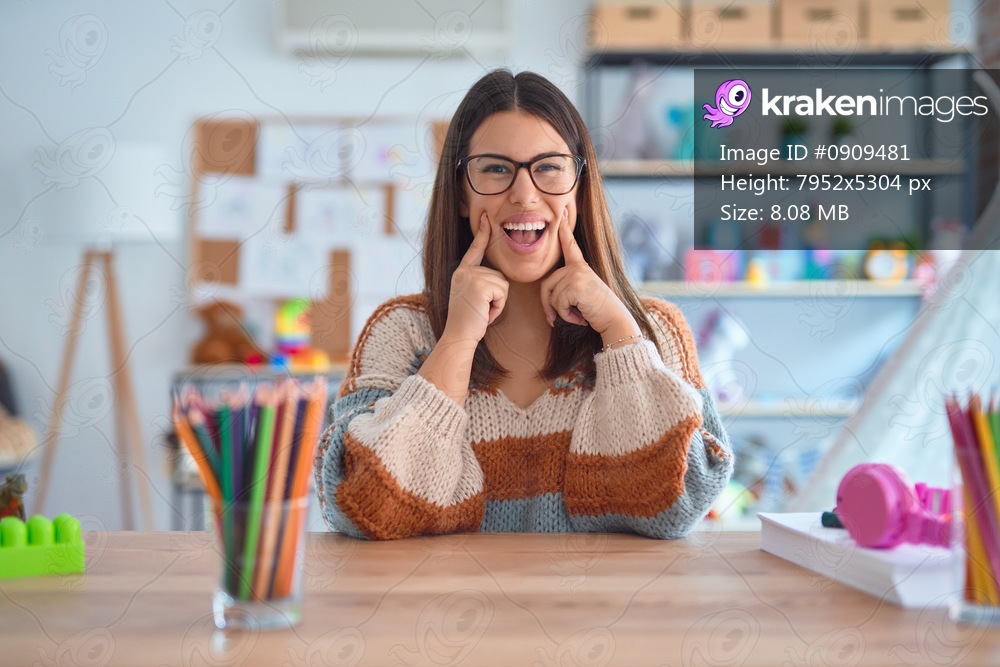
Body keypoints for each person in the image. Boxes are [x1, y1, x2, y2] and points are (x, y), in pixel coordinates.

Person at [315, 69, 733, 540]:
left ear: (579, 186)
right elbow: (359, 505)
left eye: (549, 167)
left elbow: (681, 503)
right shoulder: (402, 330)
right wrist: (455, 342)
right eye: (495, 168)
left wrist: (619, 331)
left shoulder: (652, 329)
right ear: (460, 195)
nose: (525, 194)